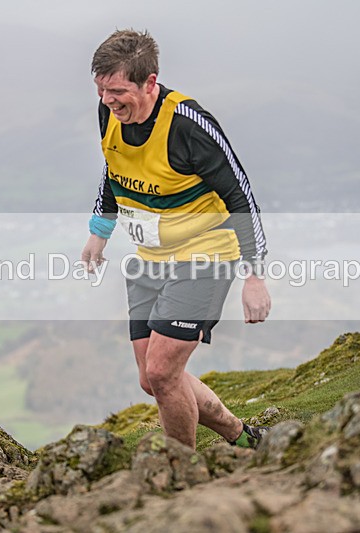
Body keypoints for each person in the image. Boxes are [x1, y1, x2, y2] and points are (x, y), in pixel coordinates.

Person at [81, 29, 271, 450]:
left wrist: (254, 275)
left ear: (150, 82)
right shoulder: (109, 112)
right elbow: (114, 169)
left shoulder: (188, 126)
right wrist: (100, 231)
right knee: (152, 379)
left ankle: (181, 471)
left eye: (117, 91)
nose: (109, 101)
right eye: (101, 90)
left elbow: (240, 194)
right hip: (150, 257)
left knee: (165, 372)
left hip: (204, 257)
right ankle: (242, 438)